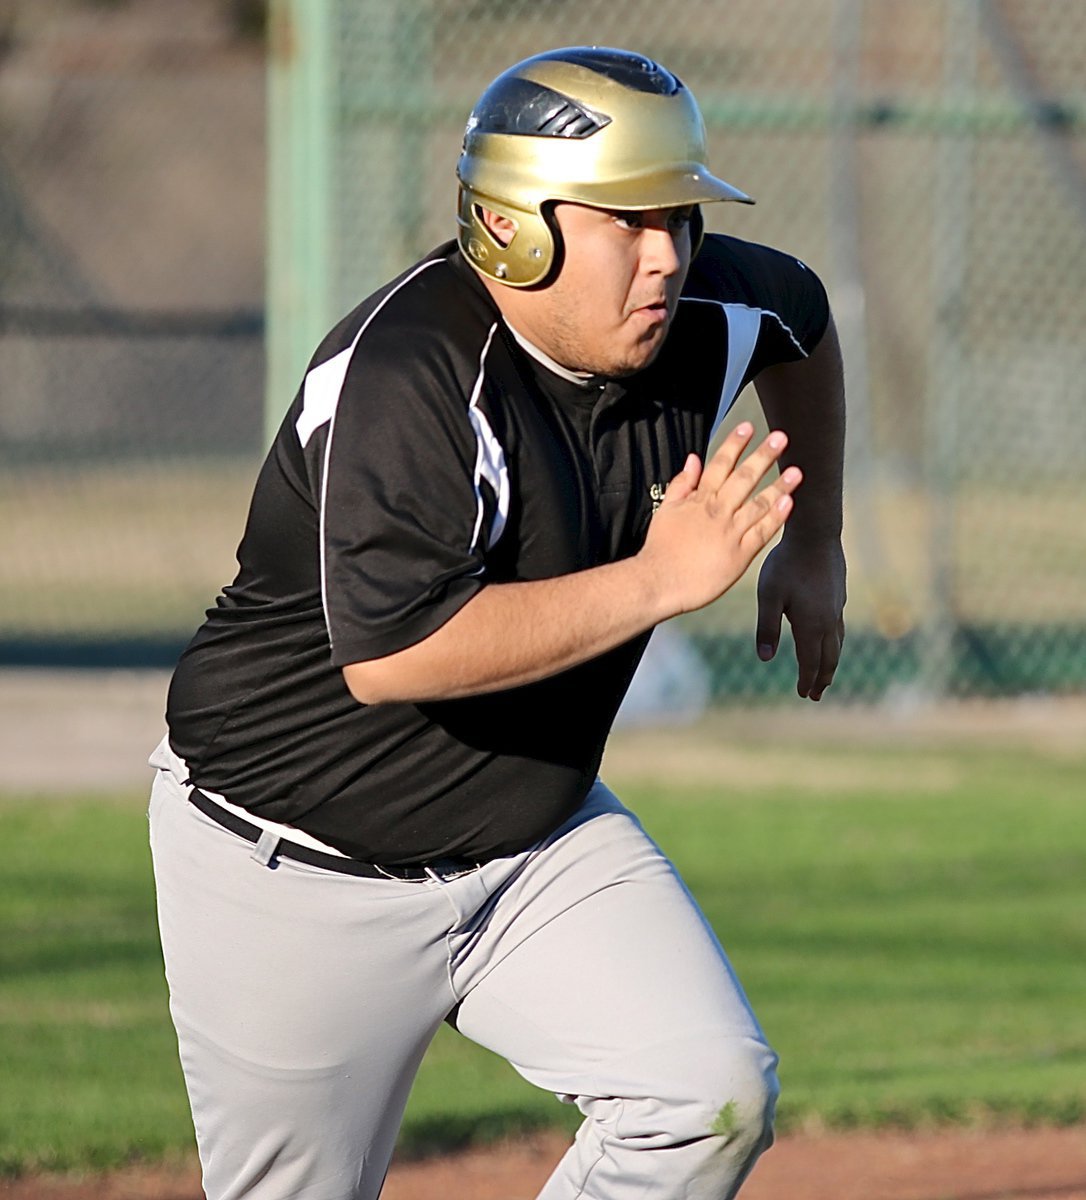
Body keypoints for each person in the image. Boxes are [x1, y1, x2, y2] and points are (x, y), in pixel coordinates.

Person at [148, 45, 846, 1200]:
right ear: (515, 228)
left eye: (679, 215)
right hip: (289, 870)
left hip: (533, 846)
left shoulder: (699, 305)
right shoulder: (413, 372)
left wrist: (815, 545)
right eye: (628, 220)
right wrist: (661, 583)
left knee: (704, 1096)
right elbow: (392, 654)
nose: (668, 254)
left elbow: (804, 323)